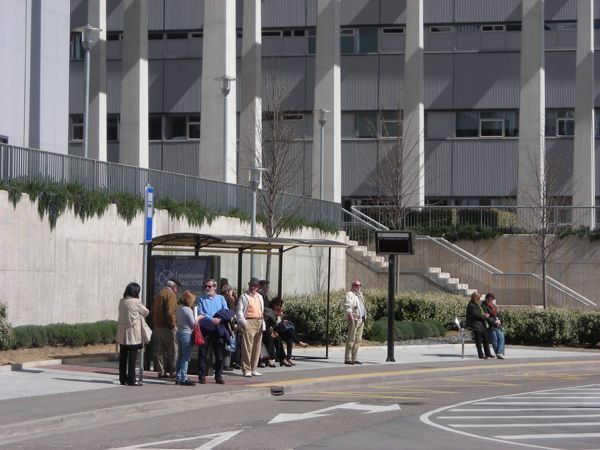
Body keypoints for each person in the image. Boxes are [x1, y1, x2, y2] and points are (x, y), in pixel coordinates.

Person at [196, 278, 229, 384]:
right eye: (205, 286)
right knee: (203, 353)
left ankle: (218, 376)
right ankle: (202, 376)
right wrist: (212, 319)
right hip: (205, 328)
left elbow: (226, 311)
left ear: (215, 287)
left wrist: (220, 319)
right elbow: (200, 312)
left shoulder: (221, 298)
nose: (207, 288)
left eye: (209, 286)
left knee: (219, 354)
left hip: (218, 329)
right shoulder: (201, 298)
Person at [116, 282, 149, 386]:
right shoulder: (136, 302)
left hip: (122, 334)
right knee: (132, 359)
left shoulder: (121, 301)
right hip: (133, 334)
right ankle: (131, 380)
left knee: (123, 358)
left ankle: (122, 378)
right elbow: (146, 312)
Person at [235, 277, 265, 377]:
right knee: (247, 347)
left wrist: (262, 322)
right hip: (249, 321)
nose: (253, 287)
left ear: (257, 287)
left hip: (259, 321)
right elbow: (239, 311)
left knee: (257, 347)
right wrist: (244, 323)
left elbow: (262, 310)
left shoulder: (260, 297)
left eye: (255, 286)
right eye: (251, 285)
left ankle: (253, 368)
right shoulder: (244, 296)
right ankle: (246, 369)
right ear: (249, 286)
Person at [152, 278, 180, 378]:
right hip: (168, 327)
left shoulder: (159, 294)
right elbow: (170, 312)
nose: (177, 290)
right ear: (174, 287)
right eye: (177, 287)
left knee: (160, 351)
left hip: (159, 326)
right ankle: (174, 372)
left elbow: (153, 310)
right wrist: (173, 325)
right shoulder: (171, 294)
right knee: (173, 350)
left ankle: (161, 371)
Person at [271, 296, 308, 367]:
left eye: (280, 305)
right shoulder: (271, 312)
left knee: (290, 337)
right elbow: (273, 325)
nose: (278, 307)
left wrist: (282, 320)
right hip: (274, 331)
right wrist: (276, 316)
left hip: (280, 331)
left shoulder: (278, 312)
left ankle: (289, 358)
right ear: (273, 305)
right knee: (286, 333)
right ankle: (298, 342)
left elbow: (279, 323)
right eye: (277, 305)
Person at [174, 290, 197, 386]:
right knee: (186, 357)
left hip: (179, 332)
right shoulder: (188, 310)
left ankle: (178, 377)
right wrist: (198, 319)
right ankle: (184, 377)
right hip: (187, 333)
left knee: (180, 355)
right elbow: (193, 323)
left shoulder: (179, 309)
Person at [344, 279, 367, 365]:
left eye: (360, 285)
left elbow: (362, 306)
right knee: (351, 339)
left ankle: (355, 358)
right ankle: (348, 358)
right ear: (352, 286)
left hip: (361, 319)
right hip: (354, 320)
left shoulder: (359, 295)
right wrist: (351, 318)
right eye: (357, 285)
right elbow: (348, 307)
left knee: (358, 340)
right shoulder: (349, 294)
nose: (359, 287)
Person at [466, 291, 494, 360]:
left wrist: (484, 315)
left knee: (485, 336)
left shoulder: (477, 305)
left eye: (479, 299)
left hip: (479, 323)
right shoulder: (471, 305)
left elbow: (480, 314)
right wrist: (484, 316)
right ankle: (481, 354)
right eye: (478, 298)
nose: (479, 300)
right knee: (478, 337)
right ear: (474, 298)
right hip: (474, 323)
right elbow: (476, 315)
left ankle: (488, 353)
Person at [482, 292, 506, 359]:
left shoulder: (493, 306)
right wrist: (494, 321)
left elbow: (498, 315)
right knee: (494, 339)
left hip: (497, 325)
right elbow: (487, 317)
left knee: (501, 338)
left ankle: (499, 352)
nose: (490, 301)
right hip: (490, 326)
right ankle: (499, 353)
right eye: (489, 299)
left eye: (491, 299)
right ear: (486, 299)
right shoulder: (483, 306)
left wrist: (499, 321)